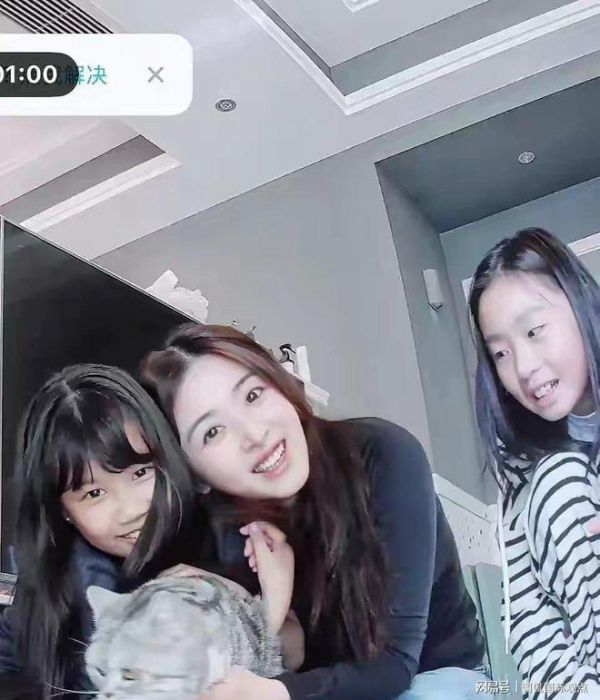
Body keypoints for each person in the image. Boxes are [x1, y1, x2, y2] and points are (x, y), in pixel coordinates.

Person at [141, 322, 487, 700]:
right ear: (195, 476)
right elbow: (290, 657)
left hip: (435, 677)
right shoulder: (232, 536)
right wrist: (271, 603)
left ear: (281, 385)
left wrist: (271, 693)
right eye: (213, 432)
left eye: (253, 395)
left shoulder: (383, 455)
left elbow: (393, 666)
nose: (254, 435)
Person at [0, 364, 300, 699]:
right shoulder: (52, 586)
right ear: (63, 512)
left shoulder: (233, 538)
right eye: (94, 493)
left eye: (141, 472)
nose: (131, 511)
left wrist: (255, 603)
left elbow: (294, 657)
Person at [469, 227, 600, 698]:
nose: (522, 367)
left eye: (534, 331)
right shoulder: (528, 475)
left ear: (580, 305)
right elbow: (531, 637)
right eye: (501, 353)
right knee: (558, 477)